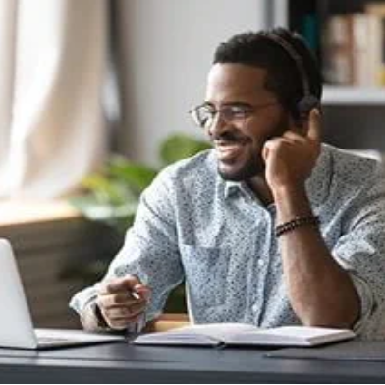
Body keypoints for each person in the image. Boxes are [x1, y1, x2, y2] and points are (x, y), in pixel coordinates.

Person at [70, 28, 385, 340]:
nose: (216, 128)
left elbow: (327, 318)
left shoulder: (369, 189)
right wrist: (107, 309)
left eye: (237, 111)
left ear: (302, 116)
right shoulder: (181, 188)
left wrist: (288, 189)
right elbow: (109, 299)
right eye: (210, 111)